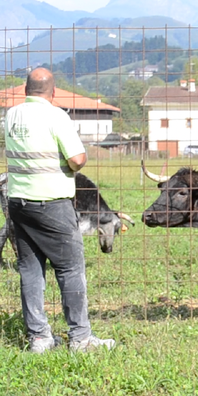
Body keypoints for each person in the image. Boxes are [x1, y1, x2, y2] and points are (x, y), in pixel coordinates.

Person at [5, 68, 115, 353]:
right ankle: (80, 338)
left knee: (30, 270)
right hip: (52, 204)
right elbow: (77, 159)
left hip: (19, 203)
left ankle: (39, 338)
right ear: (53, 92)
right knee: (70, 269)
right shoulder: (56, 116)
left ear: (26, 90)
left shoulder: (11, 115)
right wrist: (71, 164)